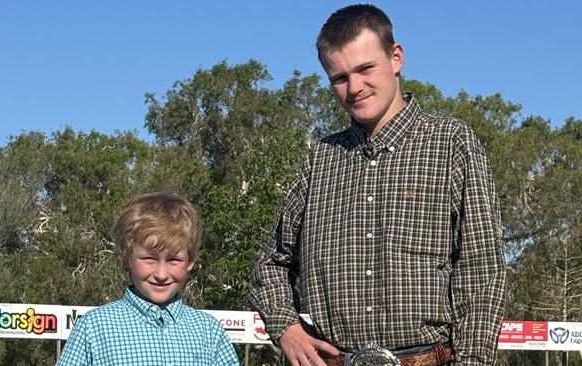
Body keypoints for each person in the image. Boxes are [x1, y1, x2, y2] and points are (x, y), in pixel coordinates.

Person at [250, 4, 505, 366]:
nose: (354, 88)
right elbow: (269, 265)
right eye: (339, 77)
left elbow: (481, 270)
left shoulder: (451, 143)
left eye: (365, 68)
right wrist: (286, 327)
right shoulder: (320, 159)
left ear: (396, 58)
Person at [57, 192, 239, 366]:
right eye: (149, 259)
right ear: (128, 257)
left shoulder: (209, 331)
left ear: (190, 261)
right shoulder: (94, 327)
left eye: (174, 260)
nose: (161, 274)